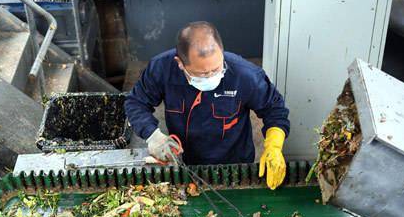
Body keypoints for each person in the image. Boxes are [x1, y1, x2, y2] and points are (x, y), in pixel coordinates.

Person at [124, 21, 290, 189]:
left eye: (217, 69)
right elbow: (136, 102)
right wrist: (153, 136)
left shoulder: (244, 74)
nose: (211, 77)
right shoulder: (162, 69)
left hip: (236, 164)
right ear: (180, 63)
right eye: (203, 73)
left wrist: (274, 146)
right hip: (185, 162)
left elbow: (275, 110)